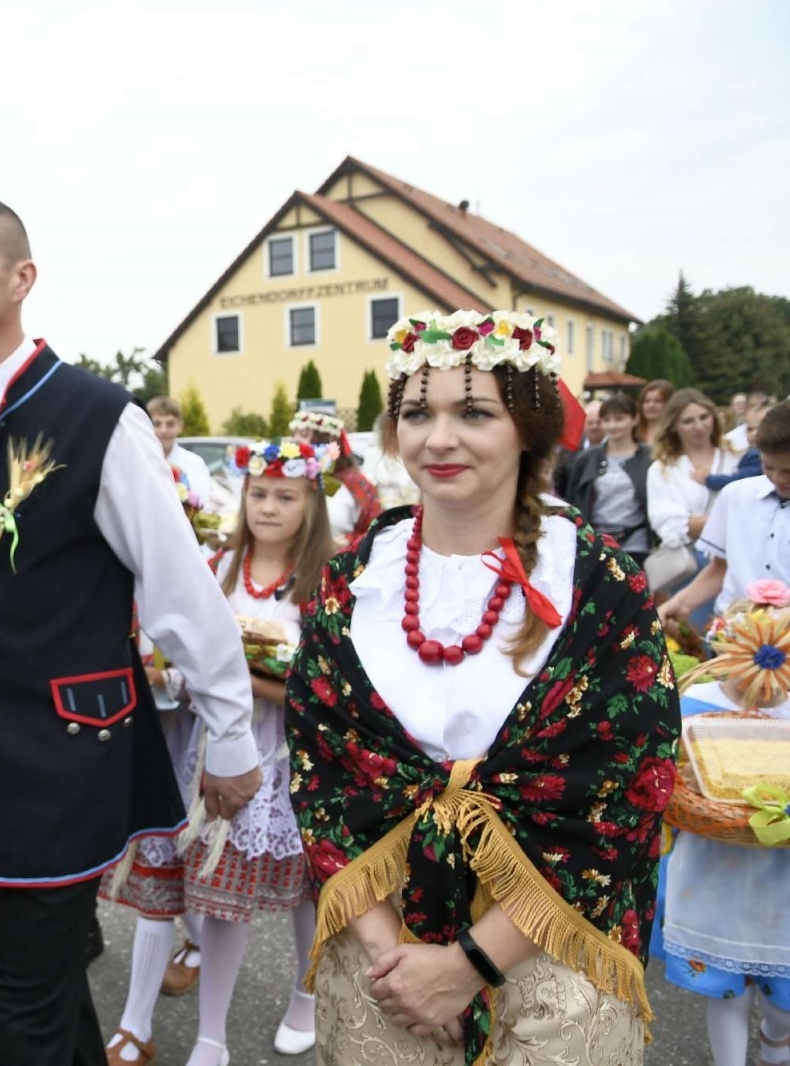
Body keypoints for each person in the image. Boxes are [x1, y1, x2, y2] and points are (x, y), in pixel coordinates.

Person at [0, 191, 260, 1066]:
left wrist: (230, 732)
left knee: (19, 1012)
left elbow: (178, 587)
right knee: (43, 991)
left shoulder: (99, 415)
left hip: (67, 753)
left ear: (22, 279)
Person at [287, 310, 680, 1064]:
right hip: (384, 941)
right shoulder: (350, 582)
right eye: (416, 412)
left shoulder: (599, 585)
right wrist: (394, 964)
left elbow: (629, 791)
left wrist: (468, 966)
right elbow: (321, 773)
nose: (439, 439)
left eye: (473, 412)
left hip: (550, 943)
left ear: (527, 427)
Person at [102, 437, 335, 1066]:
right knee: (218, 895)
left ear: (311, 502)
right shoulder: (219, 567)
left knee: (309, 894)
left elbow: (325, 688)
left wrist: (245, 678)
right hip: (219, 753)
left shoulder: (326, 579)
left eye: (286, 496)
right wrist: (175, 675)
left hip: (294, 757)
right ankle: (212, 1035)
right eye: (258, 493)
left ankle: (305, 997)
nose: (268, 507)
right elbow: (186, 654)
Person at [656, 597, 790, 1066]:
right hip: (718, 872)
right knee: (727, 993)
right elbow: (669, 777)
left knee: (783, 1000)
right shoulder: (695, 706)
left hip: (783, 881)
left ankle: (777, 1043)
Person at [658, 402, 790, 628]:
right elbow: (720, 568)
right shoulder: (736, 496)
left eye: (788, 471)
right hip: (732, 636)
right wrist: (680, 603)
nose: (778, 478)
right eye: (768, 467)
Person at [646, 389, 740, 600]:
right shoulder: (663, 469)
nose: (699, 426)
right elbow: (668, 523)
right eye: (688, 421)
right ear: (674, 427)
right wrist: (731, 520)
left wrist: (701, 523)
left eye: (704, 417)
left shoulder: (735, 457)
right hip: (690, 563)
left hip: (737, 559)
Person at [558, 393, 653, 565]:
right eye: (607, 420)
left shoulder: (649, 457)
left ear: (634, 419)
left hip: (636, 541)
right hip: (596, 539)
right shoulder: (587, 458)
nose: (613, 425)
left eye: (619, 419)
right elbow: (572, 499)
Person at [291, 410, 380, 544]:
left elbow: (375, 529)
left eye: (304, 434)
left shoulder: (355, 483)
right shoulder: (288, 479)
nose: (295, 440)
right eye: (294, 434)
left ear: (329, 439)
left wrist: (347, 545)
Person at [148, 395, 214, 514]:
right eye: (157, 424)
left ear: (180, 427)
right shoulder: (141, 462)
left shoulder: (194, 463)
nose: (163, 430)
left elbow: (201, 504)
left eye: (170, 424)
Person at [707, 400, 770, 492]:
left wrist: (708, 479)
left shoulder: (758, 457)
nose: (754, 434)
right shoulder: (750, 452)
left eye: (760, 428)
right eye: (750, 429)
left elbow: (738, 479)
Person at [635, 378, 675, 447]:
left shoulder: (675, 433)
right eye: (647, 401)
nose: (651, 405)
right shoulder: (632, 433)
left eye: (658, 401)